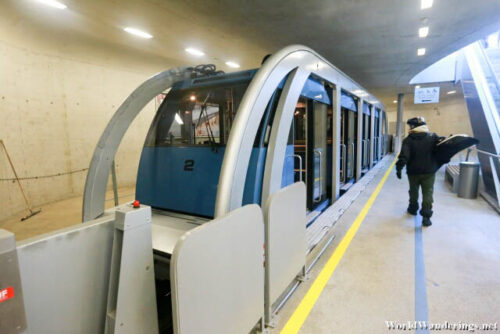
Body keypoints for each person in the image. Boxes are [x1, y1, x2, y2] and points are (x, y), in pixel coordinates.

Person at [396, 117, 442, 227]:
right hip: (429, 172)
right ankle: (426, 217)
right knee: (428, 193)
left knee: (413, 191)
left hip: (413, 172)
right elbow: (441, 149)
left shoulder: (408, 140)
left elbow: (404, 156)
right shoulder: (433, 137)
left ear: (413, 126)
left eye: (410, 126)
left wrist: (399, 168)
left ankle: (413, 208)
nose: (409, 128)